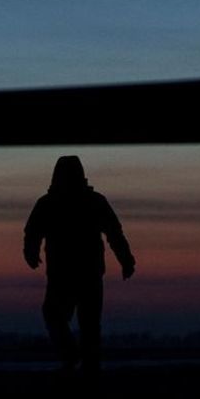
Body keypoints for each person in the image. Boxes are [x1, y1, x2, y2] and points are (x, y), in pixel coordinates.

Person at [23, 156, 134, 373]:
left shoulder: (56, 203)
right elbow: (33, 233)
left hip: (77, 273)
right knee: (67, 318)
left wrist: (126, 259)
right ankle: (77, 359)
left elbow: (114, 232)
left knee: (81, 321)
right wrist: (30, 251)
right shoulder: (56, 203)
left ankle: (83, 362)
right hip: (71, 273)